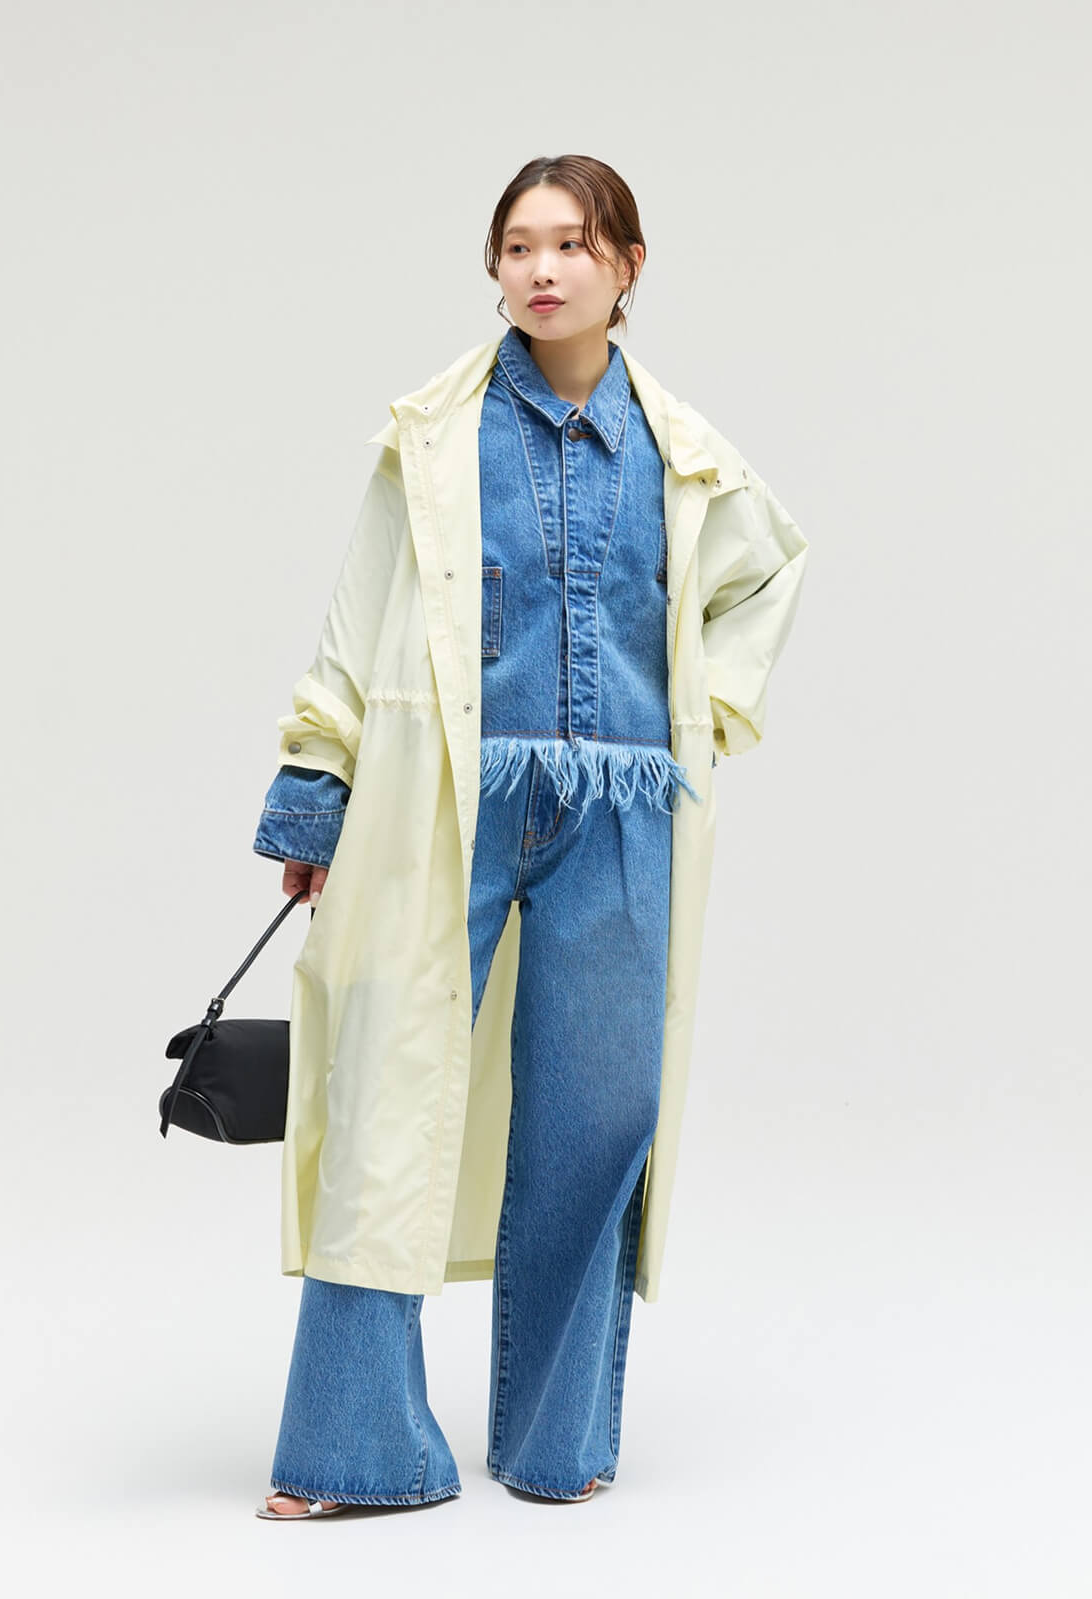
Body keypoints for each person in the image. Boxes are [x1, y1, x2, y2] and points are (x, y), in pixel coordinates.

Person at [250, 154, 809, 1519]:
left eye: (572, 244)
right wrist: (316, 793)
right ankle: (353, 1452)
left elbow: (768, 572)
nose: (542, 270)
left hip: (621, 813)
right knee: (387, 1107)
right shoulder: (432, 434)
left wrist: (705, 716)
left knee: (596, 1116)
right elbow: (356, 618)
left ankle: (558, 1443)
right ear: (494, 268)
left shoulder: (684, 452)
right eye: (517, 246)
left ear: (627, 266)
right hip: (447, 801)